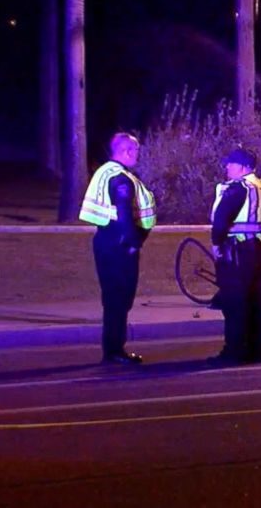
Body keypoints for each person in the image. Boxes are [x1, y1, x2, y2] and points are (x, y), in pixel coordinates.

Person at [79, 132, 156, 364]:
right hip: (119, 243)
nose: (137, 156)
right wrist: (133, 243)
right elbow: (124, 214)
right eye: (135, 151)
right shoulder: (121, 179)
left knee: (113, 297)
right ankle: (114, 351)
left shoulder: (105, 172)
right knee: (120, 298)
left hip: (106, 238)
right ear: (127, 151)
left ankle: (112, 349)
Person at [208, 148, 261, 366]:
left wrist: (216, 244)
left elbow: (221, 219)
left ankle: (233, 352)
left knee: (235, 301)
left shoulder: (238, 188)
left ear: (243, 167)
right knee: (256, 301)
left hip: (237, 251)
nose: (227, 168)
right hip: (259, 250)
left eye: (230, 164)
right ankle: (256, 350)